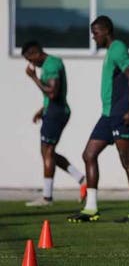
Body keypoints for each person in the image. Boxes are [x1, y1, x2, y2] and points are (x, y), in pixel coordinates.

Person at [67, 16, 129, 223]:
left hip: (120, 115)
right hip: (107, 115)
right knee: (89, 154)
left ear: (106, 31)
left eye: (96, 33)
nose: (93, 37)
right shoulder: (111, 51)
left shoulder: (118, 47)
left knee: (127, 161)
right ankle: (91, 208)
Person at [22, 41, 86, 207]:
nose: (31, 63)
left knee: (48, 152)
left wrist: (34, 77)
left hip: (56, 113)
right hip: (53, 111)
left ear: (35, 53)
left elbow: (52, 92)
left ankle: (47, 197)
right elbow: (52, 95)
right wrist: (42, 109)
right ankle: (81, 179)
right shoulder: (50, 64)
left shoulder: (51, 65)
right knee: (48, 152)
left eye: (30, 58)